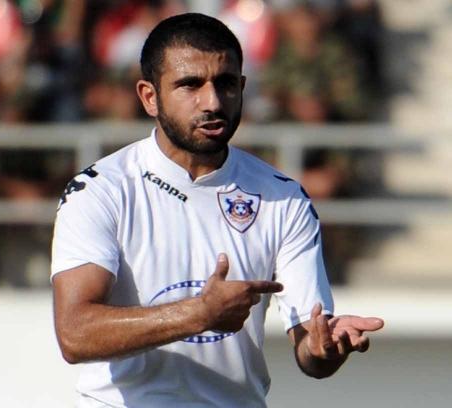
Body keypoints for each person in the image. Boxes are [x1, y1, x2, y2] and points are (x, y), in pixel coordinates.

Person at [51, 13, 384, 408]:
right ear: (149, 97)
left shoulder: (283, 198)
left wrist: (324, 347)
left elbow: (309, 346)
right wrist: (200, 314)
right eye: (190, 85)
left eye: (225, 84)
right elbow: (74, 334)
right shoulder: (100, 189)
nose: (212, 102)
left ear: (242, 88)